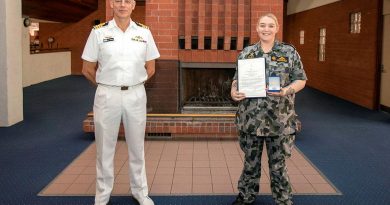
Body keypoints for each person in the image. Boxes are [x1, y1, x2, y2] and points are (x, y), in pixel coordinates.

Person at [81, 0, 160, 204]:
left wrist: (133, 82)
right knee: (104, 149)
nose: (122, 4)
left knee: (137, 147)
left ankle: (140, 192)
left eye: (127, 1)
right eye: (118, 0)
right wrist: (106, 85)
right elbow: (87, 68)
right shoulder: (98, 32)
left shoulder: (144, 32)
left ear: (134, 5)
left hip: (135, 94)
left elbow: (151, 68)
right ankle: (102, 195)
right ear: (111, 5)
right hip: (107, 95)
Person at [230, 13, 307, 205]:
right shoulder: (247, 53)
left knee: (278, 166)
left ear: (277, 28)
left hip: (279, 120)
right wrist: (233, 92)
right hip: (251, 119)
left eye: (270, 25)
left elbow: (301, 80)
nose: (266, 29)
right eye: (262, 25)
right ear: (256, 28)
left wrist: (285, 90)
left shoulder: (289, 52)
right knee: (251, 163)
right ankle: (246, 196)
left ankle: (283, 199)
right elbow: (236, 80)